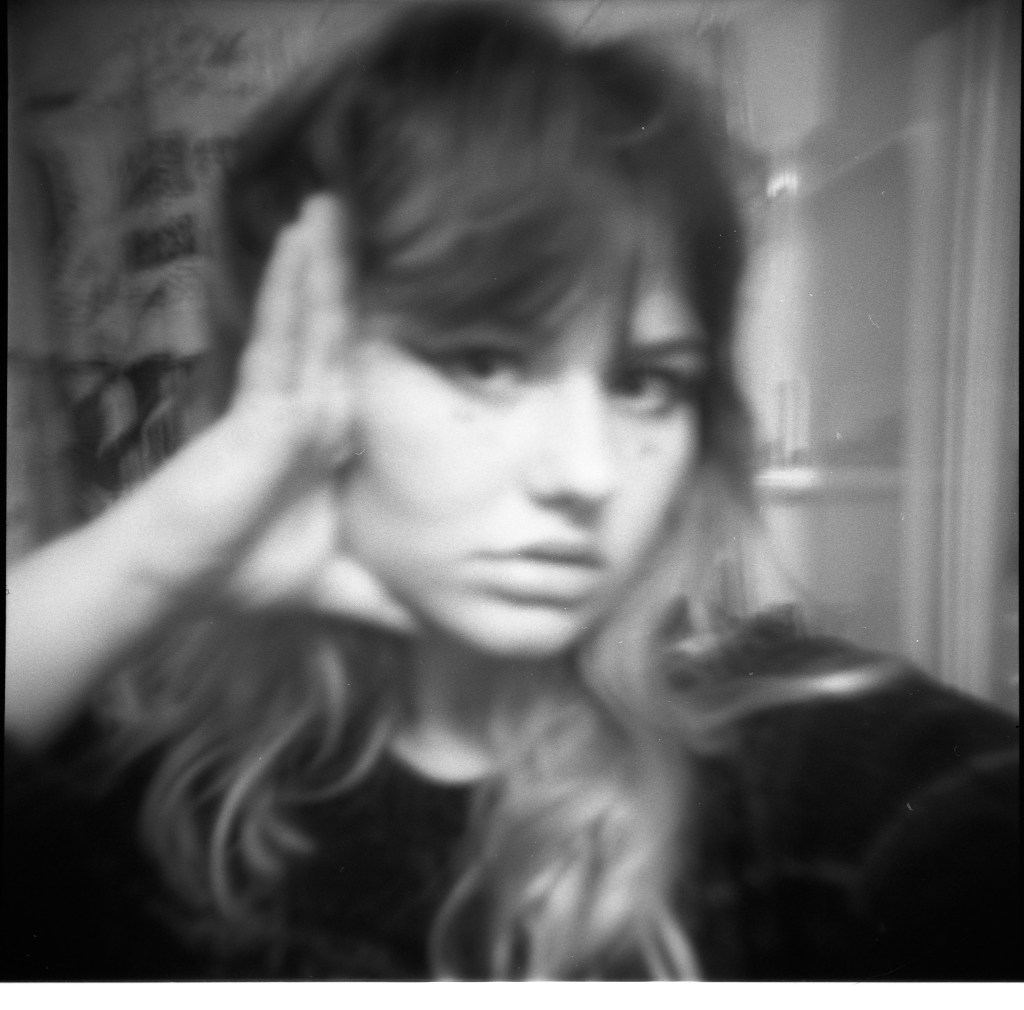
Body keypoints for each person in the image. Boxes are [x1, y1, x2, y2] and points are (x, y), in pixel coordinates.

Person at [3, 1, 1019, 982]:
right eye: (485, 362)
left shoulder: (793, 762)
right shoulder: (163, 812)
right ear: (313, 380)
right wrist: (152, 558)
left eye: (645, 383)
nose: (587, 474)